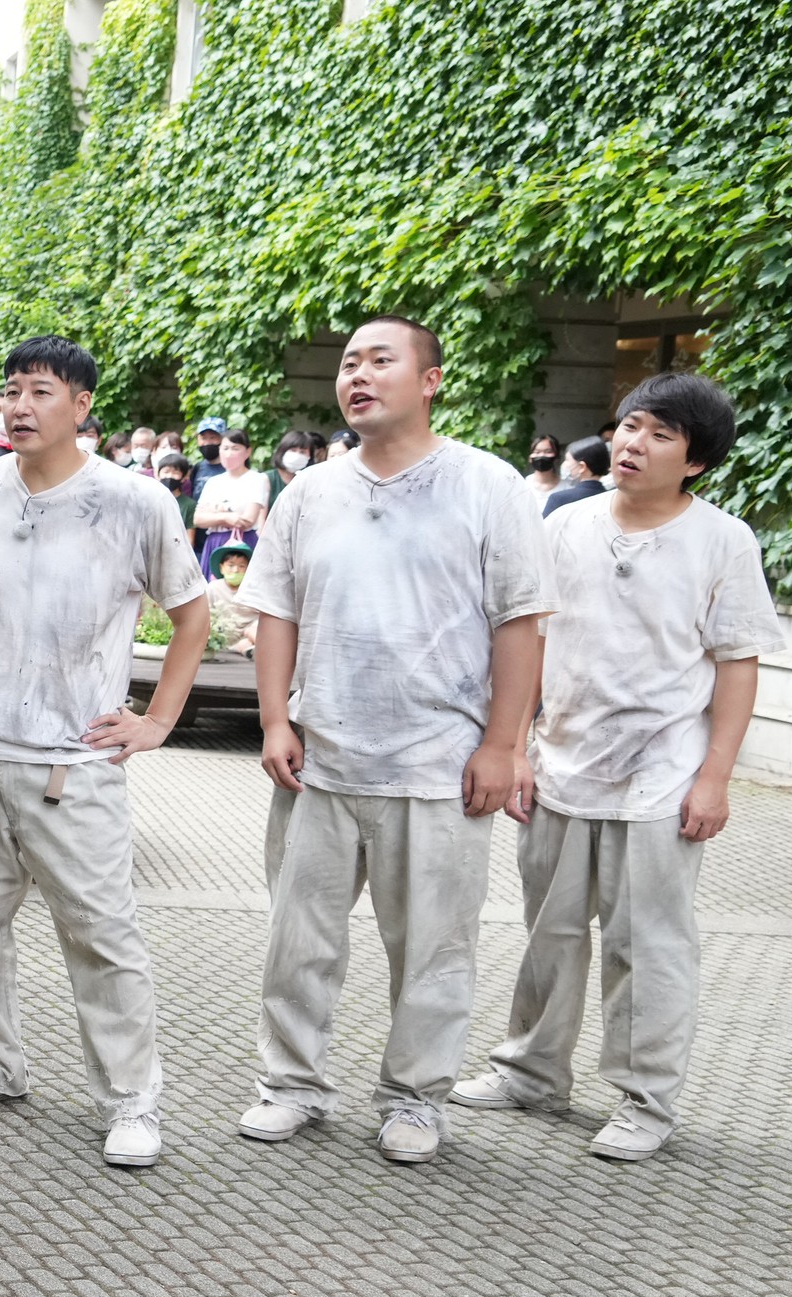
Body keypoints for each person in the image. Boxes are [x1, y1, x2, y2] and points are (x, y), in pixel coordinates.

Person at [233, 315, 552, 1163]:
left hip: (438, 767)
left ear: (432, 379)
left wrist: (503, 745)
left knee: (435, 950)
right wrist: (275, 719)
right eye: (348, 363)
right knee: (299, 943)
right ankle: (291, 1085)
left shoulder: (488, 487)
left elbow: (521, 625)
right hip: (322, 760)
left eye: (381, 360)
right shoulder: (311, 492)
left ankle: (414, 1097)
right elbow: (277, 613)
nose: (359, 375)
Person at [0, 336, 210, 1168]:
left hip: (77, 759)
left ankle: (132, 1098)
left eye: (40, 391)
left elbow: (190, 612)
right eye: (11, 392)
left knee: (102, 933)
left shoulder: (136, 502)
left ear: (82, 406)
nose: (20, 407)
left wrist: (158, 721)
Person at [453, 374, 781, 1160]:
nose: (633, 444)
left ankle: (645, 1097)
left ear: (695, 461)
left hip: (664, 771)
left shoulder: (723, 540)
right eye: (630, 426)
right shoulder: (564, 525)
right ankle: (532, 1069)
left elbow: (737, 663)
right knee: (549, 929)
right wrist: (517, 743)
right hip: (563, 759)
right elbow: (528, 638)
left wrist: (715, 777)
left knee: (648, 940)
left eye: (661, 435)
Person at [191, 428, 270, 575]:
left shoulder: (257, 479)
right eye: (225, 448)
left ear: (247, 452)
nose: (228, 453)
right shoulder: (213, 482)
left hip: (243, 543)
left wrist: (214, 512)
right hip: (215, 542)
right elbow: (198, 519)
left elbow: (247, 519)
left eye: (235, 448)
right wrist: (227, 516)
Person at [543, 435, 611, 515]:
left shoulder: (559, 499)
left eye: (568, 460)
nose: (565, 464)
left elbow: (542, 527)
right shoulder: (611, 499)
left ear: (582, 466)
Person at [265, 428, 312, 506]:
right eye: (293, 450)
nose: (297, 455)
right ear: (282, 451)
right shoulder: (268, 478)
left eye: (302, 452)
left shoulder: (308, 481)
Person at [187, 416, 229, 502]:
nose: (207, 443)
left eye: (213, 438)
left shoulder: (232, 468)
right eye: (203, 438)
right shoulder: (196, 468)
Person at [525, 432, 566, 510]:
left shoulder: (567, 488)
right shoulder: (524, 485)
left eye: (548, 452)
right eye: (537, 452)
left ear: (557, 457)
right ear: (530, 458)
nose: (541, 456)